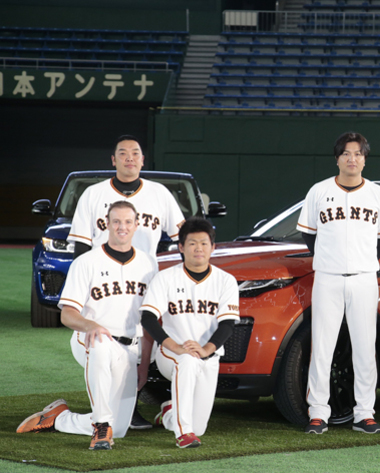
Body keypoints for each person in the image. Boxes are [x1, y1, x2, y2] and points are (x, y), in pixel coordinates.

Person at [17, 201, 157, 450]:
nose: (122, 227)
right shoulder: (87, 262)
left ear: (137, 225)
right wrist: (90, 325)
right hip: (92, 340)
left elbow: (149, 319)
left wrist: (144, 363)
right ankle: (101, 427)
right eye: (116, 221)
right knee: (100, 343)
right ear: (106, 224)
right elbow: (67, 314)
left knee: (120, 428)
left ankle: (59, 418)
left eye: (128, 221)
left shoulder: (148, 264)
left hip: (130, 347)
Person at [68, 134, 185, 429]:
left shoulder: (159, 194)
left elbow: (184, 237)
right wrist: (82, 287)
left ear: (143, 160)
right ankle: (108, 415)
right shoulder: (93, 194)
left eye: (135, 152)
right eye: (122, 153)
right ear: (113, 160)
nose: (129, 157)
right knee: (103, 343)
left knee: (142, 341)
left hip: (142, 279)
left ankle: (127, 407)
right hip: (103, 283)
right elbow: (81, 245)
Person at [297, 132, 380, 434]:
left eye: (358, 154)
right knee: (322, 347)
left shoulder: (377, 194)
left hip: (364, 279)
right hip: (327, 278)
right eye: (346, 153)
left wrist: (363, 261)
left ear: (365, 159)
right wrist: (331, 258)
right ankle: (318, 413)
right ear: (337, 158)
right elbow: (308, 234)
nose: (352, 159)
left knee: (365, 348)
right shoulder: (319, 191)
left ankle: (364, 413)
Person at [139, 217, 239, 448]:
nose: (198, 248)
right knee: (187, 360)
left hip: (208, 355)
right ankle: (183, 434)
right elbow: (148, 317)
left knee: (200, 426)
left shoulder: (226, 280)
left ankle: (170, 413)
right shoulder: (165, 277)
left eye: (204, 243)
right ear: (181, 247)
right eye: (192, 243)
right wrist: (173, 345)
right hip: (172, 353)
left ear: (213, 248)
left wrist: (206, 349)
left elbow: (228, 324)